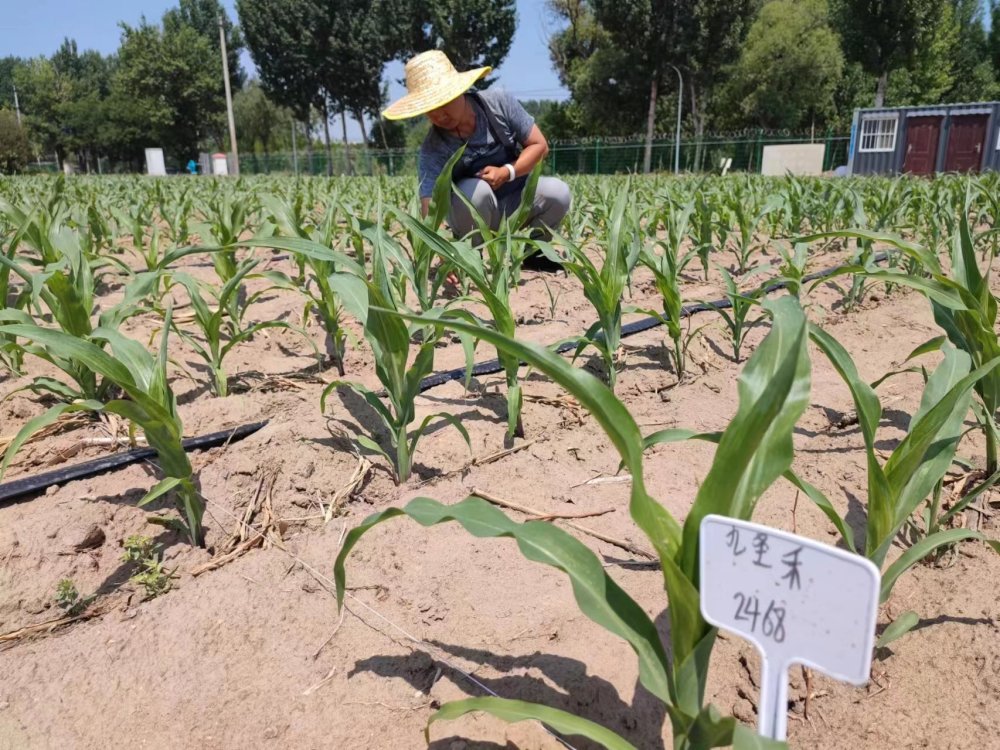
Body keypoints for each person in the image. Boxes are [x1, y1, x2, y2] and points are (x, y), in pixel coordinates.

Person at [383, 50, 571, 252]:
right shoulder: (433, 149)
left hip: (516, 199)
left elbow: (540, 146)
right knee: (475, 192)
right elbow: (430, 206)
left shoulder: (498, 104)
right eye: (429, 109)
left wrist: (506, 172)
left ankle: (533, 254)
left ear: (459, 91)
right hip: (471, 216)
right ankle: (471, 257)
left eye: (443, 102)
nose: (438, 114)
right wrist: (442, 250)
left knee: (558, 193)